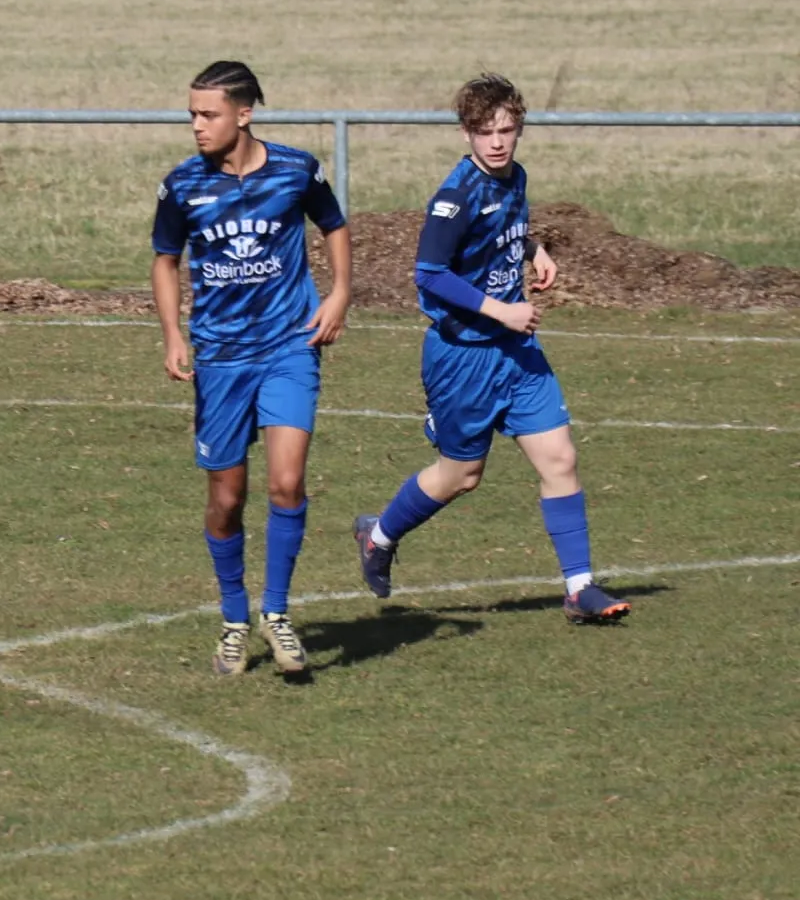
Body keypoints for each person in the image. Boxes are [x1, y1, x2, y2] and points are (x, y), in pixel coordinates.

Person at [354, 73, 630, 623]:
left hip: (516, 351)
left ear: (519, 129)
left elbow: (505, 228)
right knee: (462, 475)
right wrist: (501, 310)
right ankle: (378, 535)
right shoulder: (454, 198)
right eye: (485, 132)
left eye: (506, 130)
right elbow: (430, 273)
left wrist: (533, 249)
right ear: (466, 133)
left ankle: (579, 589)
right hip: (463, 355)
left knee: (560, 458)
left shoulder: (513, 178)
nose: (497, 142)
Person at [150, 61, 351, 679]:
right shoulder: (182, 185)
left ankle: (277, 613)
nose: (197, 125)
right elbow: (165, 260)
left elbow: (334, 225)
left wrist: (340, 293)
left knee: (287, 484)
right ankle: (234, 619)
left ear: (244, 114)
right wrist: (173, 333)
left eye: (208, 114)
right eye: (192, 114)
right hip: (221, 358)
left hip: (289, 346)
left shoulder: (297, 169)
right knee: (227, 498)